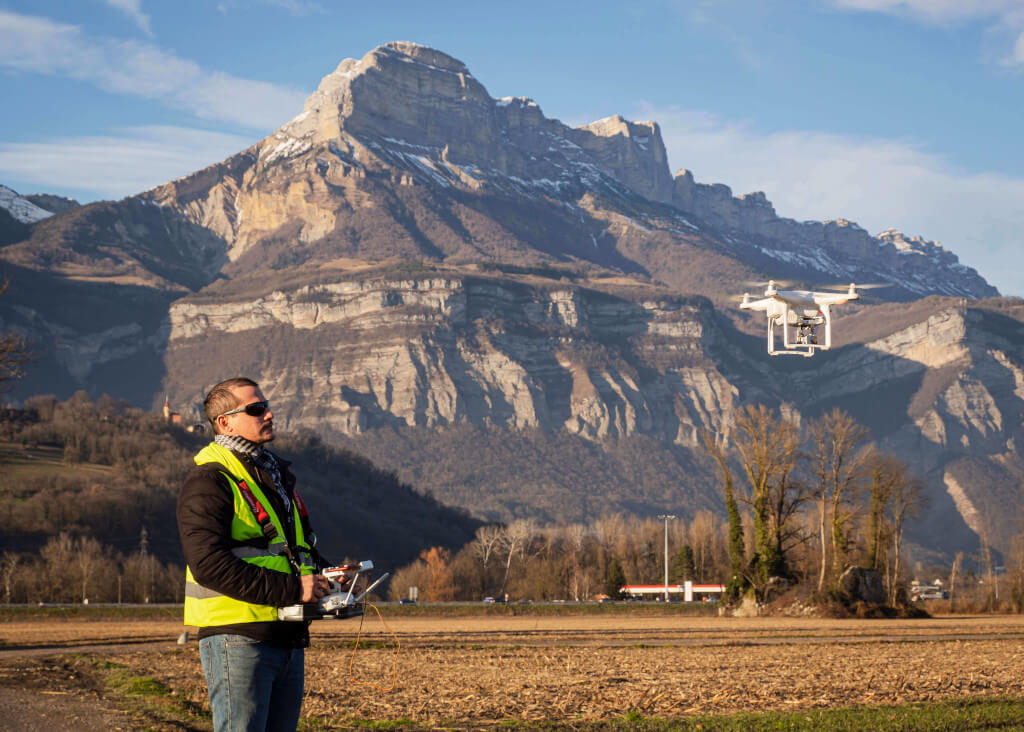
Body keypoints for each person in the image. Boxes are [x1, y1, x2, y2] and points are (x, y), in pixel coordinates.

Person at [178, 377, 332, 732]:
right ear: (224, 422)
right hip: (237, 639)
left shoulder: (272, 476)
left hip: (287, 636)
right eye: (256, 408)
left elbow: (291, 551)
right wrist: (295, 589)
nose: (269, 413)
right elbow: (209, 565)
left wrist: (331, 576)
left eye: (265, 405)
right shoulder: (209, 481)